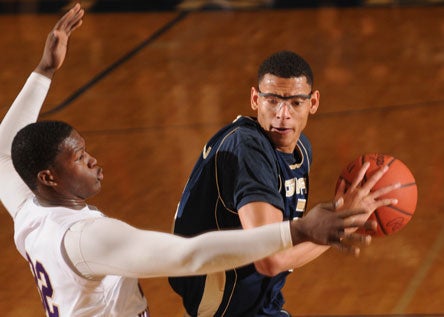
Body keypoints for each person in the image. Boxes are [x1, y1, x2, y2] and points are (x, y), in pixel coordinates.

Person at [0, 4, 383, 317]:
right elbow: (190, 254)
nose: (94, 161)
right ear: (49, 178)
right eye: (80, 157)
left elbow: (3, 153)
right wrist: (300, 231)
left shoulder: (32, 215)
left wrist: (44, 70)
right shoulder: (89, 238)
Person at [168, 50, 401, 316]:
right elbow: (271, 260)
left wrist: (336, 220)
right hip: (225, 306)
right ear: (255, 100)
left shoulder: (300, 150)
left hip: (260, 302)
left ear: (313, 103)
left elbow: (281, 247)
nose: (283, 114)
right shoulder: (246, 149)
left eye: (295, 103)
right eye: (273, 101)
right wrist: (340, 223)